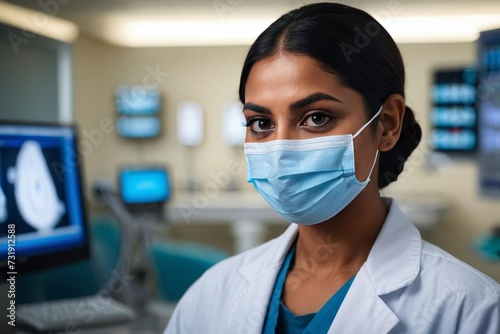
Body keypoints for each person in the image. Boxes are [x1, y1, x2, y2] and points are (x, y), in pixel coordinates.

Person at [165, 3, 499, 333]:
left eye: (316, 118)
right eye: (261, 123)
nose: (281, 149)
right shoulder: (210, 295)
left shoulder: (471, 310)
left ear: (387, 123)